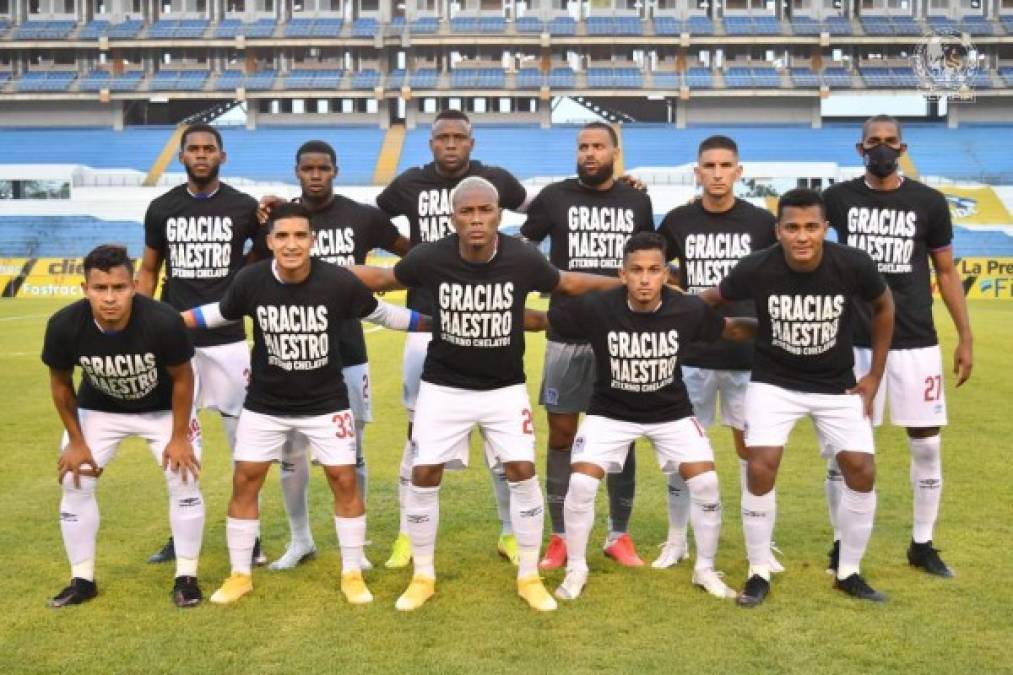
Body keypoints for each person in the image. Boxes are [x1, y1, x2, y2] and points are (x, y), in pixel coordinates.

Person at [349, 176, 624, 612]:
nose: (476, 219)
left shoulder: (522, 258)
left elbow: (567, 283)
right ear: (452, 217)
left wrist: (624, 284)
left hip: (504, 389)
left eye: (485, 210)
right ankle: (423, 575)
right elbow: (383, 275)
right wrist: (314, 269)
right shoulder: (430, 257)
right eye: (467, 211)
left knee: (522, 471)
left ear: (500, 214)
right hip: (442, 387)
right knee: (424, 474)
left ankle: (529, 575)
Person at [184, 202, 429, 606]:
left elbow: (385, 315)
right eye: (283, 236)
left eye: (300, 236)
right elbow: (219, 313)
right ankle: (239, 574)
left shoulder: (338, 281)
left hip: (326, 402)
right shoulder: (251, 280)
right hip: (265, 403)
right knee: (245, 479)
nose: (292, 244)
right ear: (270, 241)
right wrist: (172, 319)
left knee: (343, 480)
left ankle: (351, 572)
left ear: (312, 241)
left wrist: (437, 323)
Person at [701, 188, 894, 607]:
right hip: (775, 382)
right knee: (760, 465)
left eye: (811, 227)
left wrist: (875, 375)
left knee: (861, 469)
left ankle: (850, 571)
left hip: (837, 383)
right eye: (792, 227)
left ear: (825, 228)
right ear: (778, 231)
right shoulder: (756, 267)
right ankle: (757, 571)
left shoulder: (852, 264)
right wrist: (663, 316)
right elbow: (712, 299)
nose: (802, 236)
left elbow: (884, 306)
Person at [547, 232, 755, 601]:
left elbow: (731, 329)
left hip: (670, 412)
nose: (645, 279)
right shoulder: (598, 307)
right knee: (581, 484)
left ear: (666, 275)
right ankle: (576, 567)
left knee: (706, 483)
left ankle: (705, 569)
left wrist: (775, 329)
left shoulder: (687, 310)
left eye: (654, 270)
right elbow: (543, 320)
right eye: (637, 270)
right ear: (622, 274)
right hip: (610, 412)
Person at [374, 109, 530, 569]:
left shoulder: (494, 180)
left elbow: (537, 212)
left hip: (491, 322)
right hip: (427, 323)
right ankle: (408, 533)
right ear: (430, 143)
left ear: (471, 142)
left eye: (458, 137)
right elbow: (375, 220)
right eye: (441, 137)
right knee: (417, 433)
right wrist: (414, 253)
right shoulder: (409, 183)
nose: (449, 144)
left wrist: (512, 254)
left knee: (502, 440)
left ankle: (510, 533)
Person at [821, 114, 973, 578]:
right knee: (841, 452)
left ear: (902, 148)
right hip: (852, 343)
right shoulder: (838, 198)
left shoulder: (928, 202)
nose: (882, 149)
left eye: (890, 142)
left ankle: (922, 543)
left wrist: (965, 336)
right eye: (874, 142)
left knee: (926, 445)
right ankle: (840, 540)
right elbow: (796, 238)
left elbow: (946, 273)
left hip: (915, 341)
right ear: (859, 148)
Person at [264, 140, 411, 572]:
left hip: (347, 349)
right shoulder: (279, 219)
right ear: (296, 171)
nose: (315, 175)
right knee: (290, 455)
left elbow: (409, 254)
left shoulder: (362, 215)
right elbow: (255, 270)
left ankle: (356, 545)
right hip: (288, 353)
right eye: (307, 168)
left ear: (335, 170)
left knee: (353, 452)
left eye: (323, 168)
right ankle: (300, 540)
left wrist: (388, 285)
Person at [519, 122, 655, 570]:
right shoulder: (555, 198)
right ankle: (559, 536)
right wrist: (543, 280)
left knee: (622, 436)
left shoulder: (637, 199)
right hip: (567, 332)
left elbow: (648, 256)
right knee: (561, 434)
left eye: (598, 146)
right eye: (582, 147)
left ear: (615, 152)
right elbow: (524, 245)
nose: (589, 153)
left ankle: (619, 534)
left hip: (623, 334)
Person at [42, 244, 204, 608]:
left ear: (133, 286)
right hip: (99, 409)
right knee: (75, 477)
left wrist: (179, 437)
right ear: (85, 289)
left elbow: (183, 379)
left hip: (163, 410)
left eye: (119, 288)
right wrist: (76, 441)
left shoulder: (163, 320)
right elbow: (61, 384)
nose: (110, 298)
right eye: (100, 289)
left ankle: (187, 577)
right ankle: (81, 580)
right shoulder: (64, 325)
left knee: (184, 476)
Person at [137, 122, 265, 566]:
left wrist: (240, 282)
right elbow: (150, 268)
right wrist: (142, 317)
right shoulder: (161, 208)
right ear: (182, 156)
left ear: (222, 156)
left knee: (245, 440)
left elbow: (259, 256)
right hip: (178, 343)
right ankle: (181, 532)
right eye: (194, 148)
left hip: (229, 340)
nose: (202, 154)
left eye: (210, 148)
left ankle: (253, 534)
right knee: (179, 442)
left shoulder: (244, 207)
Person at [656, 134, 781, 571]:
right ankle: (676, 540)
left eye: (725, 166)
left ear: (738, 172)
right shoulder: (677, 220)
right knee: (680, 453)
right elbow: (653, 266)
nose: (717, 174)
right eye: (709, 166)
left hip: (748, 354)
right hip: (691, 353)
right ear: (697, 171)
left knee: (754, 451)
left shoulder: (763, 224)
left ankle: (759, 544)